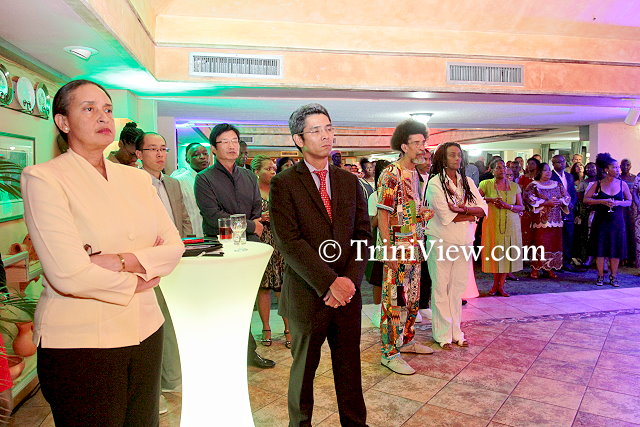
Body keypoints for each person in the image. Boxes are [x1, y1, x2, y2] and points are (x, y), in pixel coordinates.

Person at [22, 79, 184, 425]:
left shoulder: (137, 179)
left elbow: (173, 247)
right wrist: (140, 278)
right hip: (81, 341)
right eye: (89, 108)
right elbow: (68, 273)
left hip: (145, 330)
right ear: (63, 122)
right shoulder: (44, 178)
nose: (103, 117)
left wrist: (120, 261)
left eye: (108, 109)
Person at [270, 103, 371, 426]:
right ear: (299, 139)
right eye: (316, 130)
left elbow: (362, 235)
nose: (326, 135)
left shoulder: (348, 181)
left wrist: (350, 282)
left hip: (347, 295)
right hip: (307, 294)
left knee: (349, 369)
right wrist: (330, 282)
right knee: (303, 373)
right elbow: (290, 242)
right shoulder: (284, 183)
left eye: (328, 128)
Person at [194, 123, 275, 369]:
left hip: (247, 249)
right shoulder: (204, 179)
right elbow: (213, 217)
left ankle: (248, 352)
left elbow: (256, 211)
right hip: (220, 249)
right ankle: (227, 352)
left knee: (245, 302)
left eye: (234, 141)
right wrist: (250, 225)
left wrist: (249, 224)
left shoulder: (249, 176)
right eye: (225, 142)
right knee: (224, 303)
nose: (231, 146)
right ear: (214, 148)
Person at [135, 132, 191, 402]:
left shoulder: (172, 184)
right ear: (138, 154)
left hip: (176, 260)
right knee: (153, 323)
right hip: (148, 263)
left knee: (174, 319)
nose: (159, 154)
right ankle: (154, 387)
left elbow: (184, 221)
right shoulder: (131, 183)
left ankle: (172, 379)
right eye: (152, 149)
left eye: (163, 149)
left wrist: (188, 250)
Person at [377, 119, 435, 375]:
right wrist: (387, 248)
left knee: (412, 297)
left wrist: (421, 214)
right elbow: (383, 214)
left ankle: (407, 339)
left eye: (423, 142)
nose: (422, 147)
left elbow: (407, 210)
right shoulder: (391, 173)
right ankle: (389, 351)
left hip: (415, 244)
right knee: (394, 299)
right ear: (404, 146)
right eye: (417, 143)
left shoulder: (418, 174)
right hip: (397, 247)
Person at [425, 142, 487, 350]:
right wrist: (468, 213)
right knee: (441, 288)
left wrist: (462, 210)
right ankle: (442, 334)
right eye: (452, 155)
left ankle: (456, 332)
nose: (457, 159)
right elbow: (446, 216)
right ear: (443, 158)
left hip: (464, 241)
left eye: (459, 155)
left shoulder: (467, 181)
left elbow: (483, 209)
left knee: (457, 288)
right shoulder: (435, 183)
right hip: (441, 241)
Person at [251, 155, 291, 349]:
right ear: (257, 172)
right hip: (261, 242)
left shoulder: (280, 189)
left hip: (280, 241)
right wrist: (259, 217)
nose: (273, 171)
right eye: (268, 168)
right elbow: (246, 216)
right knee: (264, 286)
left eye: (274, 168)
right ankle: (266, 328)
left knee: (283, 286)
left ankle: (289, 328)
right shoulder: (251, 192)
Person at [584, 153, 632, 286]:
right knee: (600, 249)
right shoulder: (597, 184)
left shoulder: (623, 184)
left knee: (615, 249)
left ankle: (614, 276)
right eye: (614, 167)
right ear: (606, 169)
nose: (617, 170)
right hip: (601, 221)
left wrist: (618, 203)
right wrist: (601, 201)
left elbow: (629, 201)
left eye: (618, 167)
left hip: (617, 221)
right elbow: (586, 200)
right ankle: (600, 276)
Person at [479, 160, 524, 297]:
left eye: (503, 167)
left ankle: (501, 286)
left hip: (511, 223)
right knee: (495, 253)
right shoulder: (485, 184)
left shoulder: (515, 186)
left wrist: (507, 206)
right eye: (498, 168)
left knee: (506, 254)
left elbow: (521, 207)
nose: (502, 170)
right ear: (492, 170)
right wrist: (490, 199)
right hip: (492, 222)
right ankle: (494, 285)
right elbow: (476, 200)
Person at [523, 163, 570, 278]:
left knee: (553, 244)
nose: (548, 172)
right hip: (540, 221)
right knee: (539, 243)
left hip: (555, 220)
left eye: (549, 170)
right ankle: (535, 268)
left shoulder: (557, 184)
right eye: (545, 170)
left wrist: (561, 201)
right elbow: (528, 197)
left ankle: (549, 267)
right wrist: (545, 203)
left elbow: (567, 196)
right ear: (539, 172)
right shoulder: (533, 185)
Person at [366, 160, 391, 328]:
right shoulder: (374, 196)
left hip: (397, 240)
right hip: (379, 242)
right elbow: (371, 223)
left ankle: (394, 309)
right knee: (378, 279)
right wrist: (383, 209)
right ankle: (377, 311)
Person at [170, 142, 210, 237]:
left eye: (205, 153)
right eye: (196, 155)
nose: (202, 157)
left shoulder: (214, 179)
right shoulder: (179, 181)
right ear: (187, 160)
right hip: (192, 235)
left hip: (214, 235)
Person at [551, 155, 578, 271]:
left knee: (568, 236)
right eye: (558, 162)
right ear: (553, 164)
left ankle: (566, 261)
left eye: (562, 161)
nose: (561, 164)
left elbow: (573, 193)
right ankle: (556, 263)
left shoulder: (569, 176)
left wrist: (571, 202)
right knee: (556, 237)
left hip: (569, 212)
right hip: (556, 211)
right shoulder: (550, 176)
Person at [575, 162, 598, 266]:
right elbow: (580, 196)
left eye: (592, 168)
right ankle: (586, 257)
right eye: (588, 169)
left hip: (599, 210)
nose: (590, 170)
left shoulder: (601, 181)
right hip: (586, 210)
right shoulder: (583, 182)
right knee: (586, 234)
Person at [620, 159, 637, 265]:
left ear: (630, 166)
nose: (625, 167)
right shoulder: (617, 178)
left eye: (628, 165)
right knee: (622, 232)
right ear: (620, 166)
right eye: (623, 165)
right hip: (621, 209)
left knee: (632, 233)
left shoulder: (635, 178)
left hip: (632, 209)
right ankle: (622, 257)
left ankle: (632, 258)